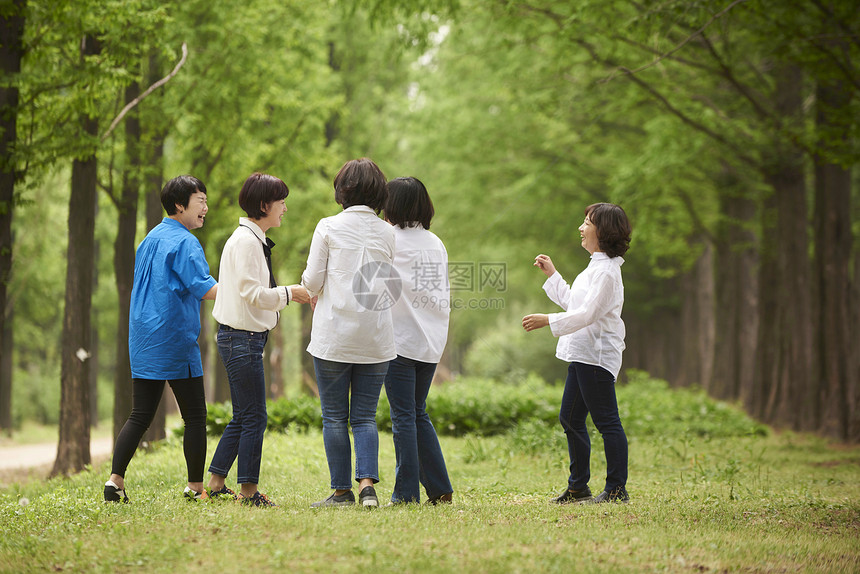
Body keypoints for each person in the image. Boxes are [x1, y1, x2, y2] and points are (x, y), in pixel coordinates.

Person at [104, 175, 218, 503]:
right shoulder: (184, 242)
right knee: (195, 416)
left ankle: (115, 481)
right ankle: (196, 488)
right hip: (175, 338)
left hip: (143, 338)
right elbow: (206, 288)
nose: (205, 208)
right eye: (200, 202)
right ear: (180, 205)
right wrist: (248, 293)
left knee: (140, 415)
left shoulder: (149, 239)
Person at [205, 173, 310, 507]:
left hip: (241, 338)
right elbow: (253, 294)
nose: (285, 208)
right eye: (281, 202)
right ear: (264, 205)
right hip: (242, 339)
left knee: (243, 415)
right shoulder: (247, 242)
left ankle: (216, 483)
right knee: (254, 417)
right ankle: (249, 493)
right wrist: (290, 293)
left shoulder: (247, 239)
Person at [522, 202, 632, 504]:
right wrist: (553, 275)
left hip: (596, 356)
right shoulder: (596, 266)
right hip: (582, 355)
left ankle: (616, 489)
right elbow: (576, 304)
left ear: (603, 231)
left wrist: (547, 320)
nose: (581, 228)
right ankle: (578, 487)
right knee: (570, 418)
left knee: (607, 422)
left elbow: (588, 314)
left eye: (586, 222)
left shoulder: (608, 272)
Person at [302, 158, 395, 508]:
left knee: (335, 417)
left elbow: (312, 281)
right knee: (365, 416)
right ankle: (368, 487)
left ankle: (342, 492)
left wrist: (315, 290)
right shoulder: (389, 232)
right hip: (376, 336)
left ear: (342, 190)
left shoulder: (327, 226)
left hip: (334, 336)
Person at [382, 177, 453, 505]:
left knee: (404, 416)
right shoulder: (435, 243)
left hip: (399, 341)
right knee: (416, 411)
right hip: (430, 341)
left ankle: (406, 493)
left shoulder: (388, 239)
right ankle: (440, 489)